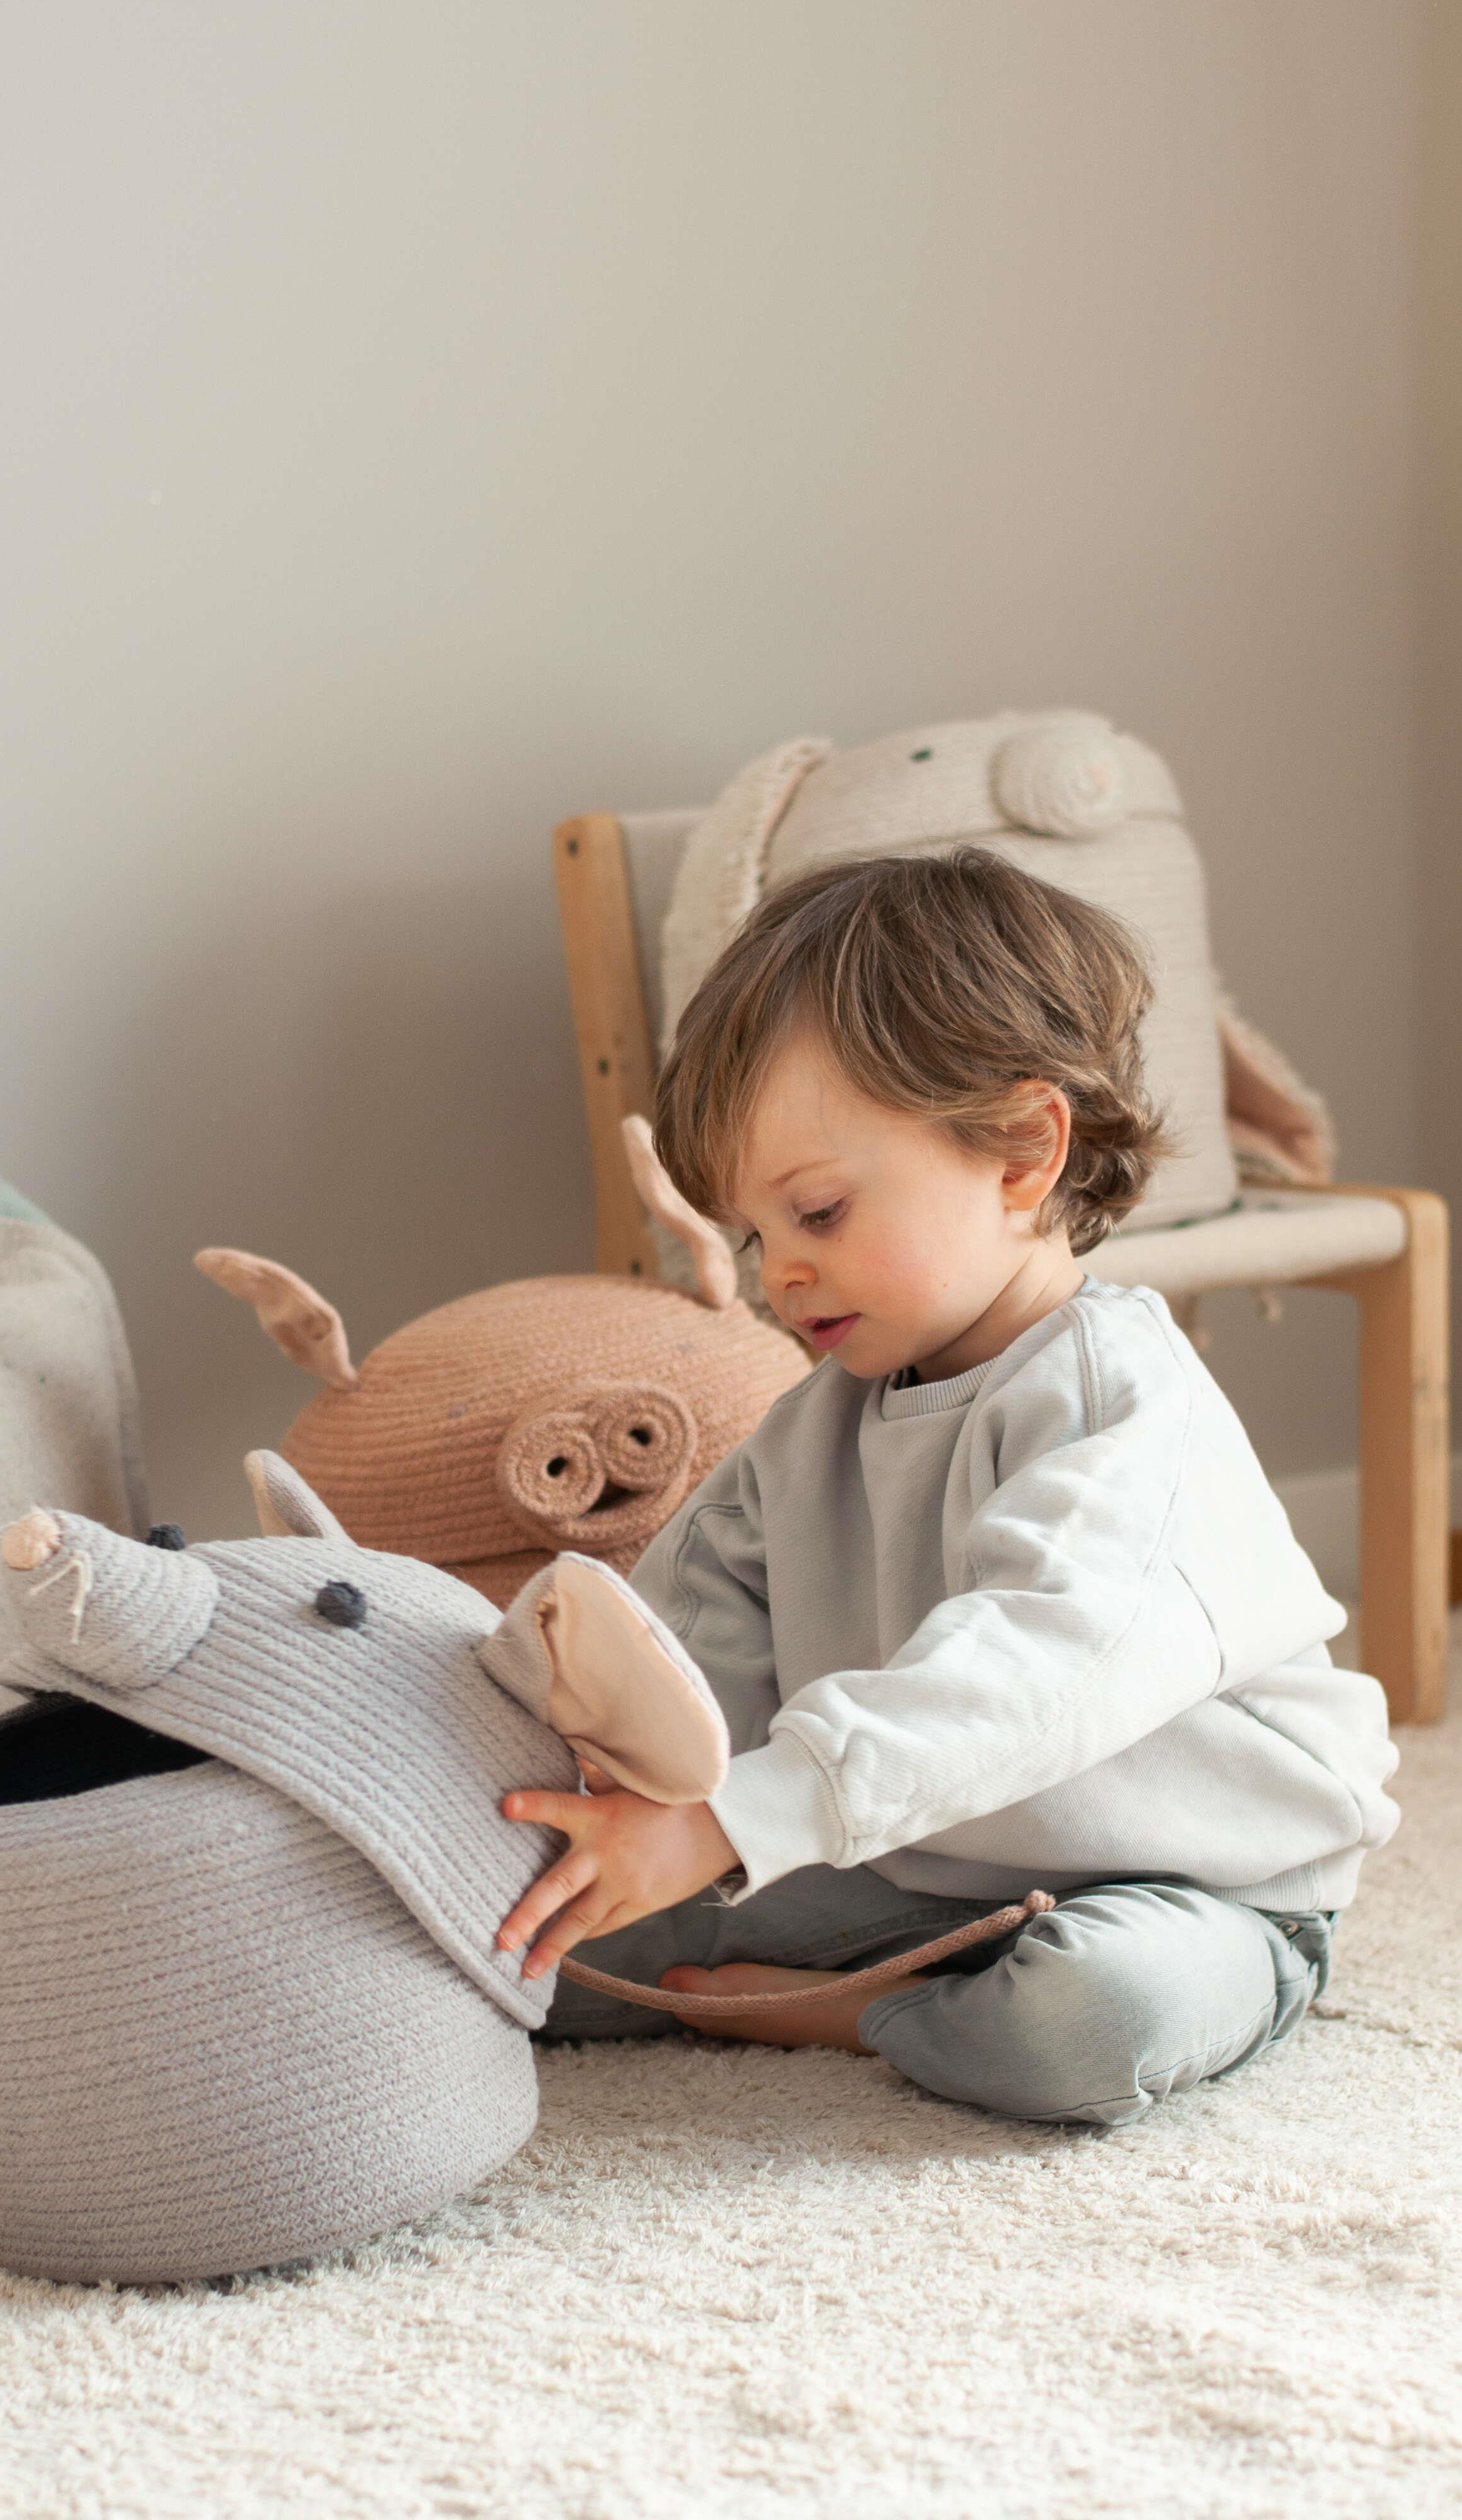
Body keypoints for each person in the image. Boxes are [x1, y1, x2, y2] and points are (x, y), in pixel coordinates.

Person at [495, 845, 1398, 2127]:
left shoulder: (1125, 1412)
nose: (776, 1274)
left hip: (1189, 1886)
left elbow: (1027, 1668)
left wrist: (739, 1819)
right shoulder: (815, 1427)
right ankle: (890, 1970)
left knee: (1087, 2018)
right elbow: (674, 1643)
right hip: (915, 1860)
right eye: (755, 1234)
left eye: (817, 1211)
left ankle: (855, 2011)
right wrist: (585, 1781)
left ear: (1024, 1151)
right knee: (529, 1936)